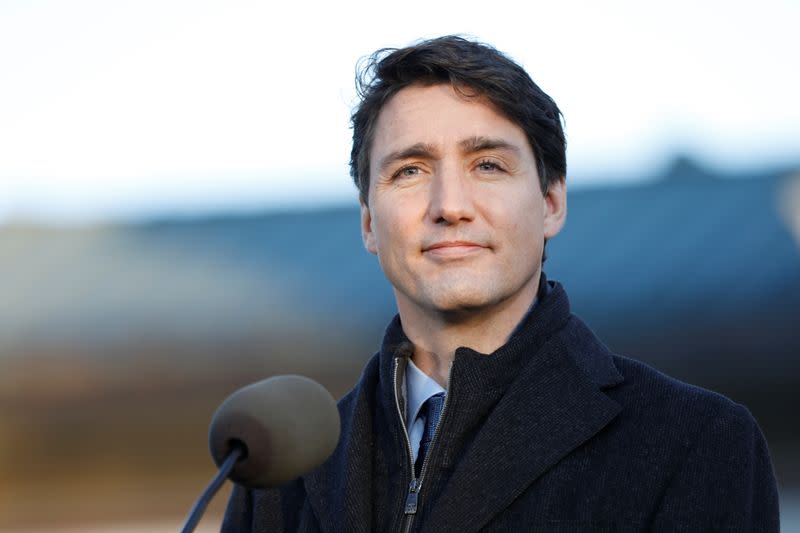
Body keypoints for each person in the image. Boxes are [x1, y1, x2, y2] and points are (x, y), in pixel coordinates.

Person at [222, 36, 779, 532]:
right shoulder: (279, 471)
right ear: (369, 222)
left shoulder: (695, 441)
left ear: (551, 203)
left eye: (487, 165)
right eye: (410, 171)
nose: (450, 207)